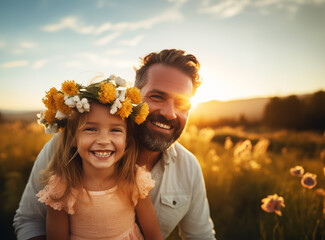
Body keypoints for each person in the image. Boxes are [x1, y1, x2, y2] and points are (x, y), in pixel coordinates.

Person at [14, 49, 216, 239]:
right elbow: (30, 220)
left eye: (182, 104)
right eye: (157, 96)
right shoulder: (67, 147)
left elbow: (201, 236)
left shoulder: (188, 168)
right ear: (134, 97)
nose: (169, 113)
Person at [33, 76, 163, 240]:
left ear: (127, 141)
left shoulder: (134, 179)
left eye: (115, 130)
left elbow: (154, 236)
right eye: (91, 129)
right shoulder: (62, 189)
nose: (103, 140)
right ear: (73, 138)